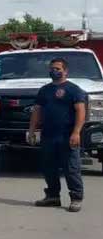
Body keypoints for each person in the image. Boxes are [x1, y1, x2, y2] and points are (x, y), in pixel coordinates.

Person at [29, 58, 86, 212]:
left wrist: (76, 132)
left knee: (71, 168)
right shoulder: (44, 90)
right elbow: (37, 111)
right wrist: (32, 131)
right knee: (49, 168)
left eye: (57, 68)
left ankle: (76, 198)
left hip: (67, 135)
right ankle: (53, 197)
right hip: (48, 135)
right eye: (52, 68)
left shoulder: (74, 89)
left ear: (65, 71)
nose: (53, 71)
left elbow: (81, 111)